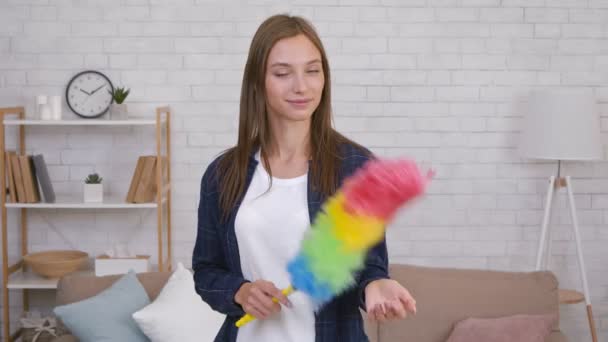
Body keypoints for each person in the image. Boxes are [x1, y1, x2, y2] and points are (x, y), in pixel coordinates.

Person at [192, 14, 417, 342]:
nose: (301, 86)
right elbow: (206, 271)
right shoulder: (224, 173)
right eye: (283, 73)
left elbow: (370, 265)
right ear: (258, 80)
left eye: (313, 70)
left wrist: (376, 285)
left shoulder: (356, 167)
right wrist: (239, 291)